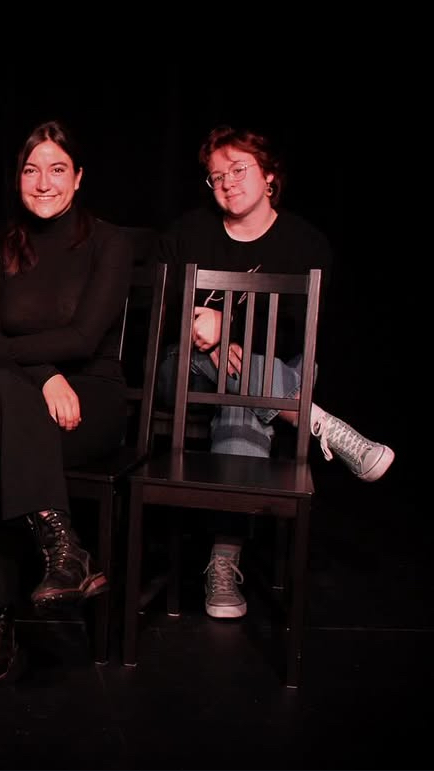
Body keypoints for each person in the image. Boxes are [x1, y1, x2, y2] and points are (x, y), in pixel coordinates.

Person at [153, 124, 395, 621]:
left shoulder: (306, 244)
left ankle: (222, 562)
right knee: (214, 365)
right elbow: (156, 312)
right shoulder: (186, 234)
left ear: (269, 177)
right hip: (186, 369)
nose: (226, 182)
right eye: (215, 175)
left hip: (271, 368)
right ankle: (321, 423)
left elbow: (299, 335)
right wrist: (205, 329)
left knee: (242, 401)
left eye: (238, 169)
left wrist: (230, 327)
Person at [0, 120, 133, 687]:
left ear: (78, 178)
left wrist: (44, 371)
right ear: (18, 179)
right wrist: (42, 372)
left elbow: (83, 338)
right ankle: (62, 549)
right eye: (31, 170)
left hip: (89, 397)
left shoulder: (109, 242)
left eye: (56, 169)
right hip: (16, 393)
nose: (43, 182)